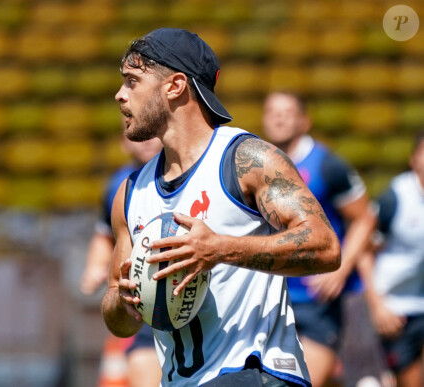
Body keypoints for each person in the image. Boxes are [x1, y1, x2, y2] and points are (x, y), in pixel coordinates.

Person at [101, 28, 341, 387]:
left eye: (133, 82)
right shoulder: (131, 193)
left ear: (175, 85)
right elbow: (119, 323)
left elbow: (325, 247)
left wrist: (220, 249)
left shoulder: (247, 159)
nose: (120, 95)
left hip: (257, 372)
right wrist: (122, 300)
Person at [261, 91, 377, 386]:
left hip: (318, 299)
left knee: (303, 381)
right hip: (273, 297)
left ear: (305, 121)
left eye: (287, 111)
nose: (279, 117)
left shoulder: (328, 165)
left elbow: (364, 218)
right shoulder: (255, 165)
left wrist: (342, 266)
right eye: (273, 111)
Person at [80, 133, 163, 387]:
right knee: (141, 362)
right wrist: (95, 267)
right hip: (144, 301)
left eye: (152, 135)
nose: (146, 141)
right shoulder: (119, 185)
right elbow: (106, 233)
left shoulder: (187, 175)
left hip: (190, 296)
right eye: (139, 136)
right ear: (124, 141)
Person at [362, 130, 424, 387]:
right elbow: (363, 252)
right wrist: (377, 306)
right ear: (413, 159)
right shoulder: (395, 199)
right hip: (394, 309)